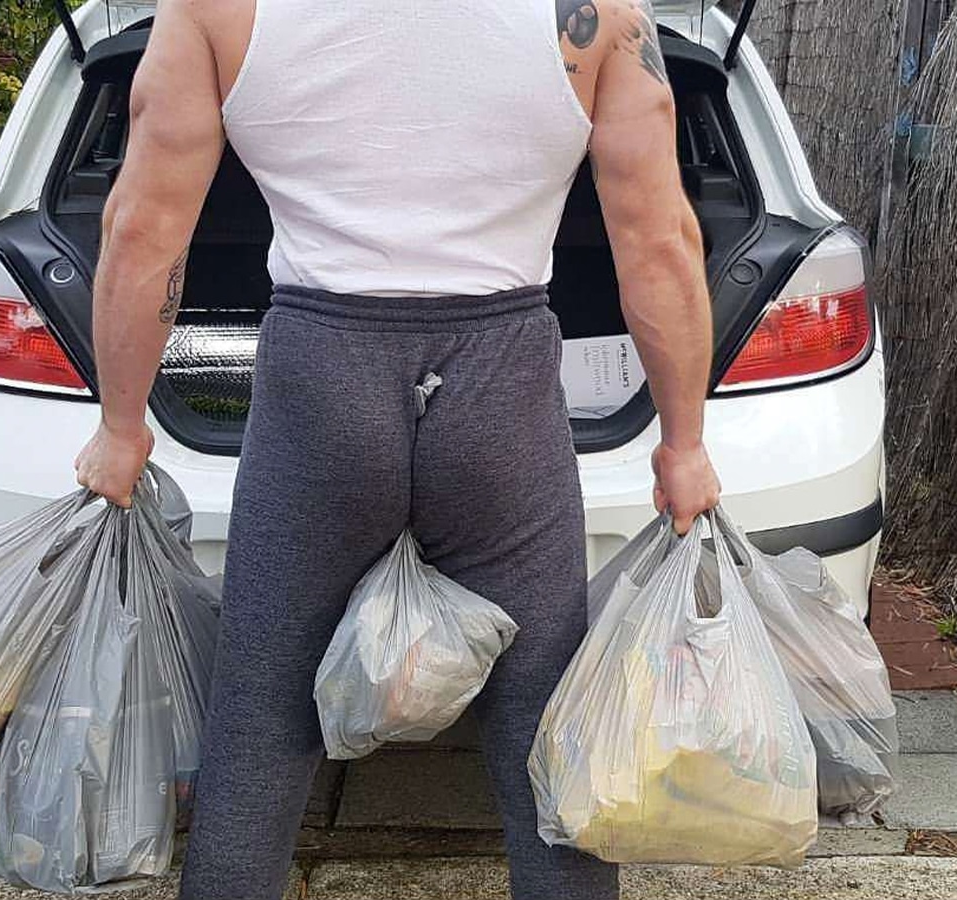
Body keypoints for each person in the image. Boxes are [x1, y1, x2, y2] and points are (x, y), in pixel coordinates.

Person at [75, 0, 721, 897]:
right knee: (546, 730)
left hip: (320, 386)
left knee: (258, 723)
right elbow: (660, 240)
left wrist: (122, 426)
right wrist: (682, 443)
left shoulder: (214, 7)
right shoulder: (603, 14)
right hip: (500, 394)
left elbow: (142, 226)